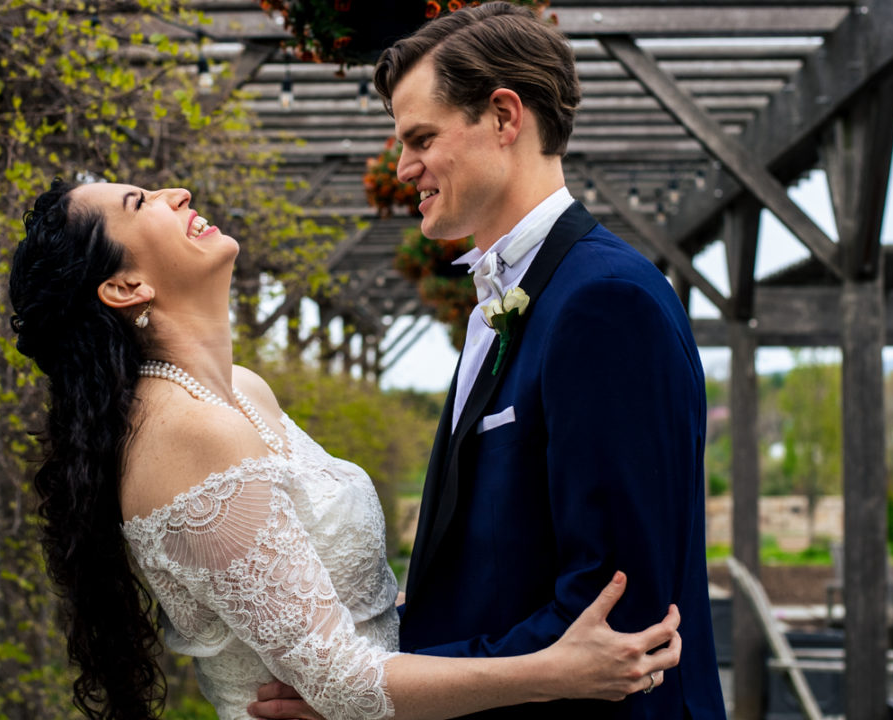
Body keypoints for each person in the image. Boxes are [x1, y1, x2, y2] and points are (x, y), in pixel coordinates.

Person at [8, 177, 683, 720]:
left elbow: (342, 640)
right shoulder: (188, 431)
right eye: (139, 204)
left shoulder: (244, 392)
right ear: (126, 288)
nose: (176, 193)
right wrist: (556, 671)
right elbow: (343, 685)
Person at [254, 3, 725, 719]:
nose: (402, 166)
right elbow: (499, 569)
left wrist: (373, 692)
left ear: (505, 117)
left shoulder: (606, 304)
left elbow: (615, 616)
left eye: (420, 138)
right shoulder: (506, 299)